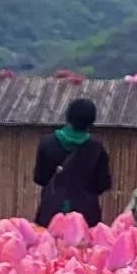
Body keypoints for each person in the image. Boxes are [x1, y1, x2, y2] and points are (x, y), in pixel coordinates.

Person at [33, 97, 112, 227]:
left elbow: (40, 179)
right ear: (91, 121)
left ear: (68, 116)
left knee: (47, 246)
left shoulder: (46, 143)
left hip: (51, 213)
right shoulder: (97, 149)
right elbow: (103, 185)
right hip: (85, 216)